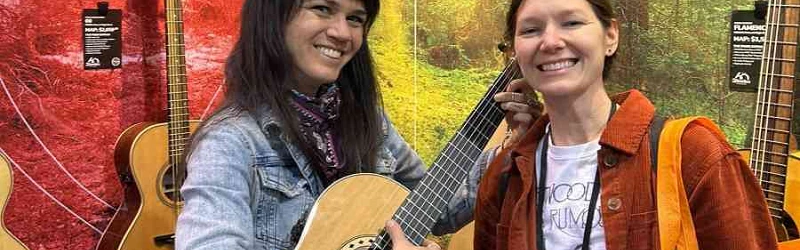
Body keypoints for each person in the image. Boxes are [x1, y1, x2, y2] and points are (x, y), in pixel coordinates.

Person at [174, 0, 541, 249]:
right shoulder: (231, 142)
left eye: (355, 18)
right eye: (322, 8)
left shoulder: (367, 121)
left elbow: (434, 207)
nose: (342, 32)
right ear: (274, 14)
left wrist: (512, 151)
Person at [462, 0, 780, 249]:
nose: (550, 41)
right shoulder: (506, 176)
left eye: (571, 22)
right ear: (516, 49)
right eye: (530, 30)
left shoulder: (693, 154)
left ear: (610, 36)